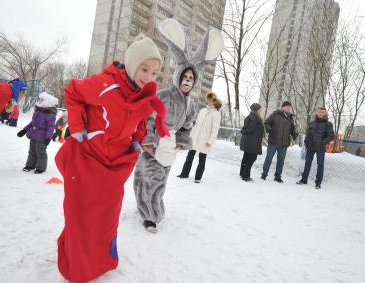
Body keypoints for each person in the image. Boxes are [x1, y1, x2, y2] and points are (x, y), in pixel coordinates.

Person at [54, 35, 169, 282]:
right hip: (86, 158)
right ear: (131, 65)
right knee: (80, 215)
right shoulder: (105, 85)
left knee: (105, 218)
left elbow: (140, 120)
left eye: (155, 73)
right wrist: (76, 125)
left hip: (114, 167)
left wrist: (138, 139)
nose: (149, 78)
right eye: (144, 69)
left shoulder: (145, 96)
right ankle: (76, 264)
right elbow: (72, 91)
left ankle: (101, 261)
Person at [133, 18, 224, 233]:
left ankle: (146, 209)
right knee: (148, 178)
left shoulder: (190, 103)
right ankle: (150, 216)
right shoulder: (163, 95)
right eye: (185, 76)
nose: (188, 80)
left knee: (159, 180)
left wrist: (181, 141)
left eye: (192, 78)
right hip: (153, 143)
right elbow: (148, 118)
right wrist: (149, 142)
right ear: (178, 76)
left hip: (169, 145)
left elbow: (187, 125)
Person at [177, 92, 222, 183]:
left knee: (202, 158)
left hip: (205, 140)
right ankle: (184, 173)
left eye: (210, 100)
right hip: (195, 137)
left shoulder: (216, 114)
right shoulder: (203, 110)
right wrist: (191, 135)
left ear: (214, 101)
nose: (208, 102)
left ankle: (198, 178)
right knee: (190, 156)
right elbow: (196, 125)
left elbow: (215, 130)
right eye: (207, 100)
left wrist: (210, 141)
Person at [17, 92, 57, 174]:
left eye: (42, 100)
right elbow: (32, 123)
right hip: (33, 134)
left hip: (42, 137)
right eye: (40, 99)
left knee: (41, 152)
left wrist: (48, 137)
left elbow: (51, 127)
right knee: (31, 151)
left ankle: (41, 168)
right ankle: (30, 165)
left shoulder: (50, 115)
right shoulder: (38, 111)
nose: (39, 101)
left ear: (47, 102)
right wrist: (24, 130)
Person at [297, 107, 334, 189]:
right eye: (319, 112)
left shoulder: (328, 124)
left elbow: (331, 136)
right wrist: (306, 142)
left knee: (320, 164)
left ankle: (318, 183)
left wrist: (322, 142)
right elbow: (308, 133)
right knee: (307, 163)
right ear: (317, 113)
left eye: (322, 112)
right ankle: (304, 179)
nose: (321, 113)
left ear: (325, 113)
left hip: (320, 148)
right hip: (311, 146)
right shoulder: (312, 123)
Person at [261, 101, 298, 183]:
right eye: (287, 106)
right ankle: (264, 174)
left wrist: (294, 134)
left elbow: (292, 129)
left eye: (290, 107)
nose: (289, 108)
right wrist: (269, 130)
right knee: (268, 159)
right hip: (273, 141)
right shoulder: (275, 115)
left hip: (284, 144)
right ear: (283, 107)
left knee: (281, 161)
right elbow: (266, 123)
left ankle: (277, 176)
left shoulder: (290, 118)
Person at [239, 103, 265, 182]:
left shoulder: (251, 116)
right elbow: (250, 129)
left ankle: (242, 173)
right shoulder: (255, 117)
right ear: (257, 109)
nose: (261, 110)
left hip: (249, 141)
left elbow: (248, 128)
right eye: (260, 108)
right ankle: (246, 176)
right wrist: (244, 131)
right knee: (251, 158)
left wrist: (244, 131)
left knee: (246, 158)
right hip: (252, 142)